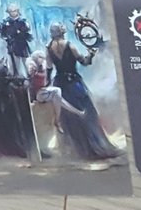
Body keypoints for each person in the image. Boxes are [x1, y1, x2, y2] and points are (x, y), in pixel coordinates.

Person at [47, 22, 124, 159]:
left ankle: (76, 149)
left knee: (68, 117)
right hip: (74, 84)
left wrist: (48, 84)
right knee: (87, 114)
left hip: (60, 84)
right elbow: (84, 62)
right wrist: (91, 55)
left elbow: (48, 68)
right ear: (62, 31)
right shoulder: (70, 45)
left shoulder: (48, 48)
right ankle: (94, 146)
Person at [0, 2, 35, 77]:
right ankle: (18, 76)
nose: (13, 13)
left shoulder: (22, 21)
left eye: (14, 11)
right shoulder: (6, 22)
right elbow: (1, 30)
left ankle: (29, 75)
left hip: (22, 44)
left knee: (25, 61)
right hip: (12, 45)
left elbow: (27, 31)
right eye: (11, 11)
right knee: (15, 62)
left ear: (17, 11)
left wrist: (21, 32)